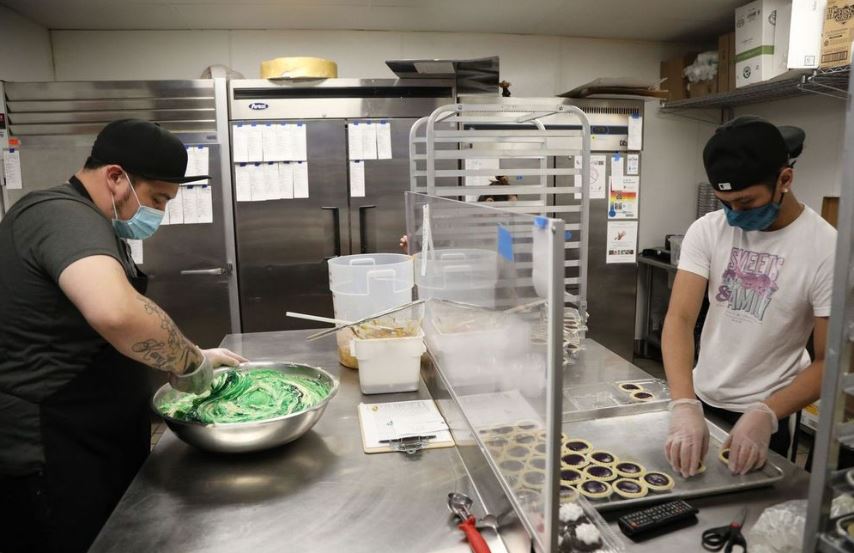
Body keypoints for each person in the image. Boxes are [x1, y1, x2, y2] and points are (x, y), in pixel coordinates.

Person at [0, 119, 247, 553]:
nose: (159, 213)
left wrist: (187, 354)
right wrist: (191, 364)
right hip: (54, 452)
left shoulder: (93, 222)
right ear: (115, 177)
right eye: (156, 199)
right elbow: (117, 313)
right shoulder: (59, 215)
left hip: (94, 436)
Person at [662, 116, 835, 478]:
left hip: (767, 415)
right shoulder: (707, 230)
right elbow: (679, 319)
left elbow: (827, 362)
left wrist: (766, 413)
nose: (735, 216)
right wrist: (683, 401)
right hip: (701, 399)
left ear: (784, 180)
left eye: (745, 202)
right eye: (725, 203)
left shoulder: (826, 250)